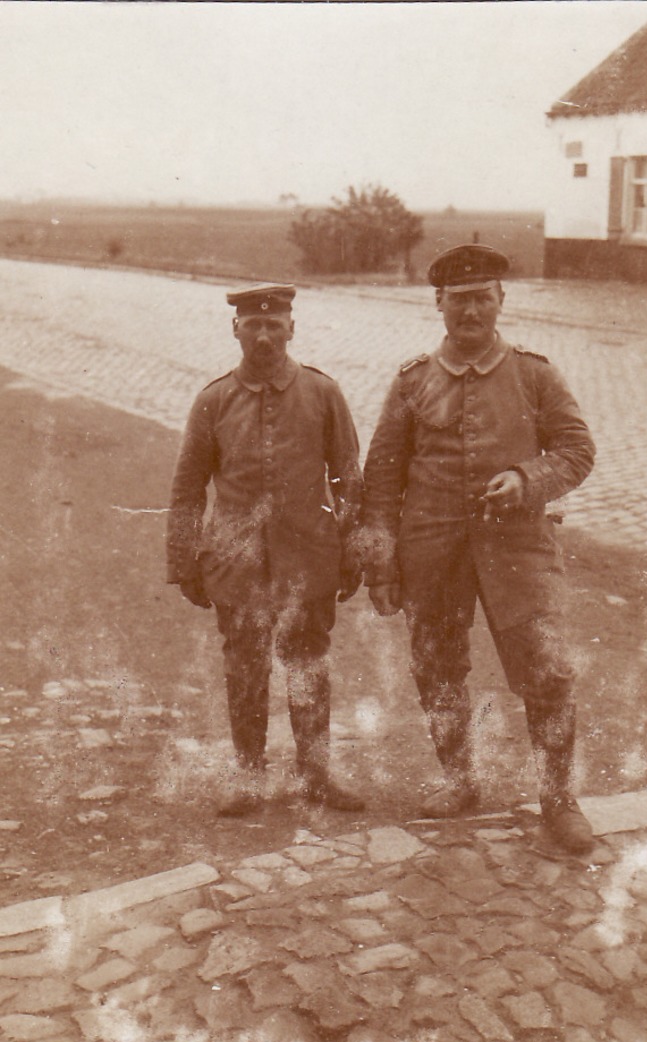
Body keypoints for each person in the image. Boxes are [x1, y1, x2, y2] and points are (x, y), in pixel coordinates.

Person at [362, 244, 597, 852]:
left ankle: (558, 797)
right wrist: (381, 563)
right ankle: (458, 778)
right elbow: (383, 477)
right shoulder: (413, 381)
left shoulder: (535, 374)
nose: (471, 311)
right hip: (431, 549)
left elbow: (576, 450)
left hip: (518, 545)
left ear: (500, 301)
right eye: (458, 300)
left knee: (547, 667)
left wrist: (526, 479)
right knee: (437, 667)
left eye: (482, 299)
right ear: (438, 304)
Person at [167, 282, 364, 815]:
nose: (263, 335)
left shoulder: (323, 393)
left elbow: (347, 476)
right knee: (245, 671)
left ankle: (316, 774)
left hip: (309, 559)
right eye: (252, 325)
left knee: (309, 666)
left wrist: (354, 551)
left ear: (292, 329)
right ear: (236, 330)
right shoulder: (213, 401)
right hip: (237, 565)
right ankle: (250, 777)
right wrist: (184, 561)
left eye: (274, 325)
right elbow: (188, 488)